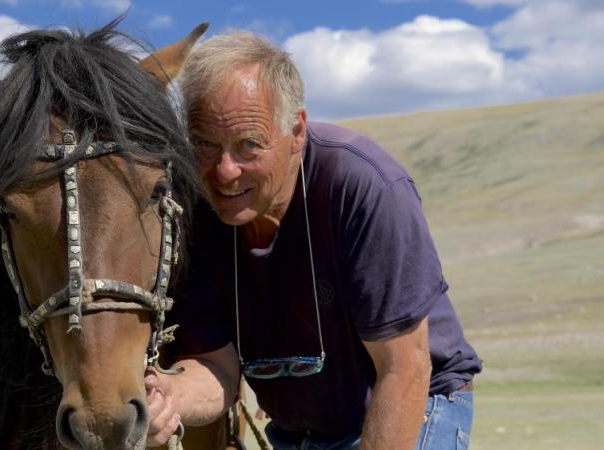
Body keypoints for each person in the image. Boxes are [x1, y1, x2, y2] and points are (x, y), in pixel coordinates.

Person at [145, 30, 482, 450]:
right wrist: (168, 397)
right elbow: (217, 369)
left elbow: (404, 367)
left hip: (416, 400)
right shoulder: (192, 212)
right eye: (205, 144)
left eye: (248, 145)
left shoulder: (363, 185)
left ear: (297, 131)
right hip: (301, 430)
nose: (225, 171)